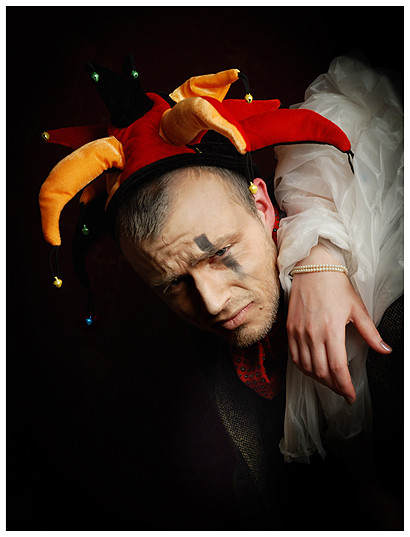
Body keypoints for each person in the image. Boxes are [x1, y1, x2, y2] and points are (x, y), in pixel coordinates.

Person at [38, 54, 403, 527]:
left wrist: (321, 256)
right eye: (174, 283)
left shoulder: (385, 305)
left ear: (263, 206)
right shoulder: (201, 364)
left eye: (219, 252)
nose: (211, 304)